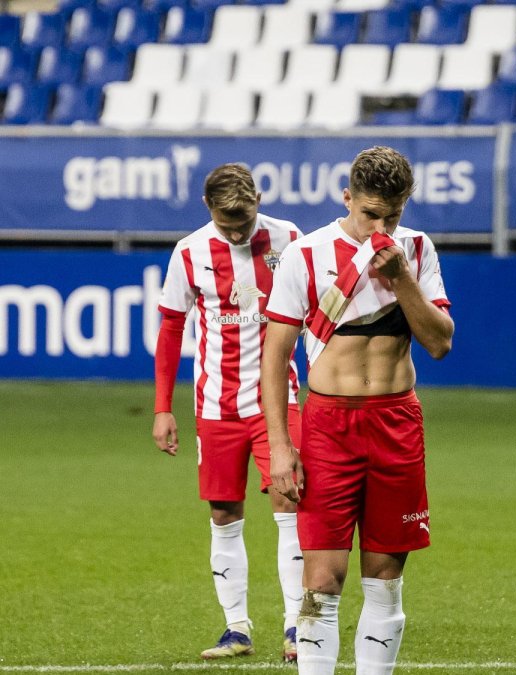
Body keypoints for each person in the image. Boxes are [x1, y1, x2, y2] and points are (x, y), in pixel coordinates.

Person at [261, 145, 453, 675]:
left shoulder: (417, 250)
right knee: (321, 582)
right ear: (347, 198)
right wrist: (281, 446)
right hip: (328, 426)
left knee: (385, 582)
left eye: (392, 215)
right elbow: (274, 359)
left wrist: (402, 279)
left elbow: (439, 343)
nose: (380, 227)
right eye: (370, 214)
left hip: (396, 424)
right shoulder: (306, 254)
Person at [152, 163, 305, 661]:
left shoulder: (290, 239)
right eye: (227, 224)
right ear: (208, 209)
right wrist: (162, 408)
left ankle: (296, 627)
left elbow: (318, 316)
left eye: (245, 221)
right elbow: (172, 328)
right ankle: (236, 628)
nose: (238, 232)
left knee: (290, 502)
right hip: (216, 405)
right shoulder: (190, 252)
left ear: (260, 199)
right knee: (223, 513)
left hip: (278, 402)